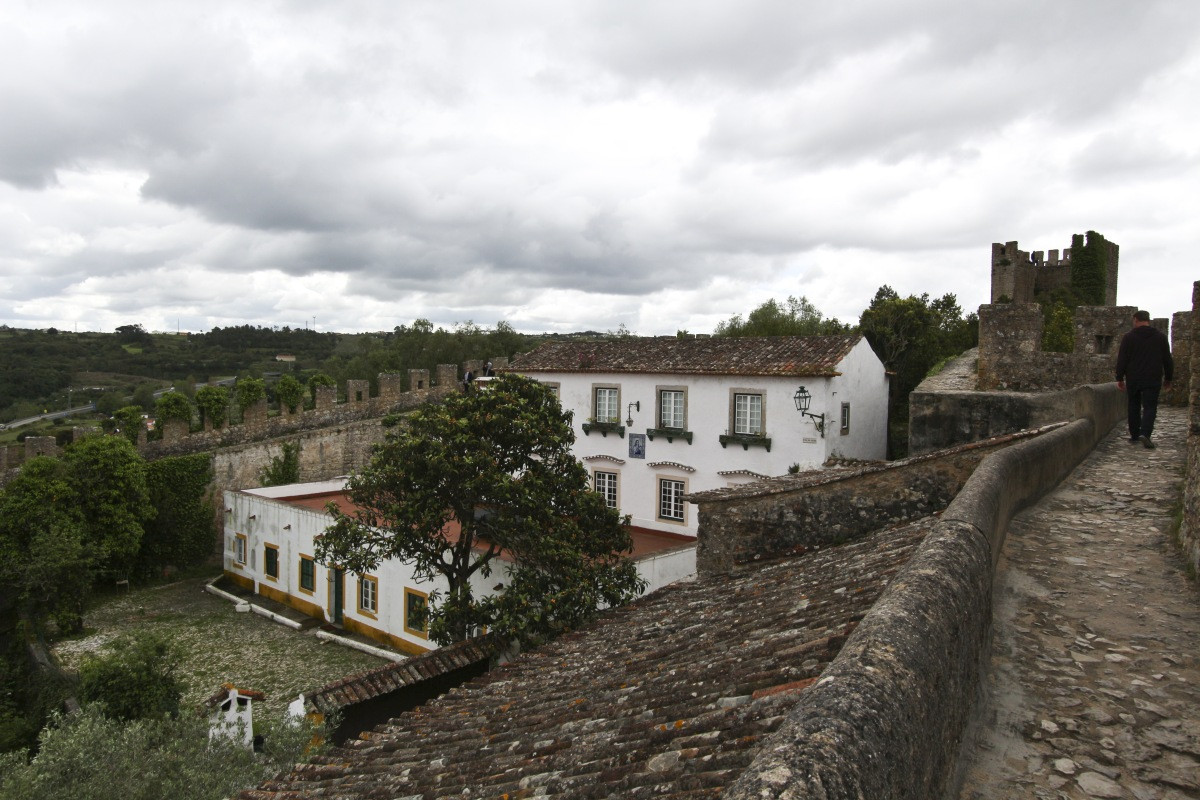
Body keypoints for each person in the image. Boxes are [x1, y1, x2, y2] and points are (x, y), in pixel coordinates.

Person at [1115, 310, 1173, 449]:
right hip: (1153, 377)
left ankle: (1135, 435)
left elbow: (1122, 359)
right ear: (1148, 320)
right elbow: (1167, 360)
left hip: (1133, 377)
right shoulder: (1160, 337)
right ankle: (1145, 434)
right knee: (1150, 407)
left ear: (1135, 319)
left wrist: (1119, 377)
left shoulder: (1128, 337)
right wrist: (1168, 378)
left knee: (1133, 405)